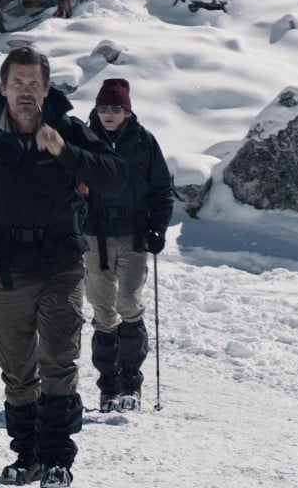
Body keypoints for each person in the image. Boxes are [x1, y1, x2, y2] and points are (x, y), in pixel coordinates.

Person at [0, 47, 127, 488]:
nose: (25, 91)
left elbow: (115, 177)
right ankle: (27, 457)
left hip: (60, 264)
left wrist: (67, 153)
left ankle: (58, 459)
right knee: (17, 369)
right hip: (6, 269)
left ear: (47, 88)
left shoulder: (68, 131)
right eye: (17, 82)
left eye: (34, 83)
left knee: (59, 362)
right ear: (3, 87)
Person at [81, 78, 173, 413]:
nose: (108, 114)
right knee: (103, 311)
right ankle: (109, 388)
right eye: (103, 108)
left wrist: (158, 230)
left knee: (129, 303)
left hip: (134, 235)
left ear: (127, 110)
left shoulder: (144, 142)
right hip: (95, 237)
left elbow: (162, 189)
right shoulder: (86, 140)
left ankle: (131, 384)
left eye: (115, 108)